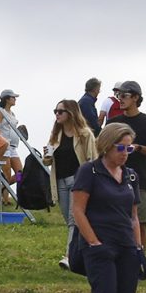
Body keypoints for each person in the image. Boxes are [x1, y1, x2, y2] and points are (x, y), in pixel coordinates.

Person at [69, 121, 145, 293]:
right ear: (106, 146)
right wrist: (93, 242)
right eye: (120, 147)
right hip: (98, 245)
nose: (125, 153)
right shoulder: (89, 171)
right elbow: (78, 210)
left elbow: (134, 216)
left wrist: (138, 248)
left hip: (126, 246)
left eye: (129, 148)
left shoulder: (130, 175)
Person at [107, 81, 146, 248]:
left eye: (124, 95)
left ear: (135, 97)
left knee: (140, 225)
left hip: (141, 180)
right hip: (113, 181)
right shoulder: (113, 122)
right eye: (118, 95)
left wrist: (138, 148)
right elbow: (103, 147)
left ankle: (140, 261)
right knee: (114, 224)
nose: (120, 99)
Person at [48, 99, 95, 269]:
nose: (57, 115)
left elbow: (92, 159)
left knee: (74, 219)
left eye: (60, 111)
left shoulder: (84, 134)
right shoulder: (56, 134)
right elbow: (48, 159)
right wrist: (47, 155)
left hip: (78, 181)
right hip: (60, 180)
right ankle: (82, 251)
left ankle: (69, 255)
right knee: (70, 221)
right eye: (56, 111)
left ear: (71, 113)